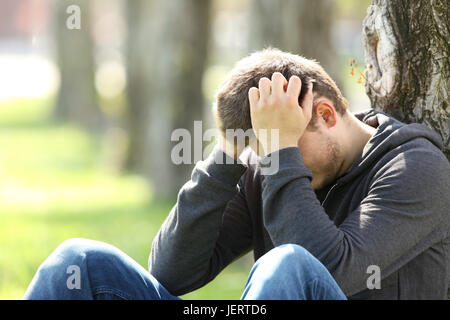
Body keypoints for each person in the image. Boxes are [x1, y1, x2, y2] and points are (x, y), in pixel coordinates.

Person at [23, 49, 450, 300]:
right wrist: (229, 152)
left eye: (282, 142)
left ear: (324, 114)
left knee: (286, 264)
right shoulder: (270, 160)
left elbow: (329, 271)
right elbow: (172, 273)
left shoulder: (416, 168)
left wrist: (282, 151)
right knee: (76, 262)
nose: (269, 162)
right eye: (262, 148)